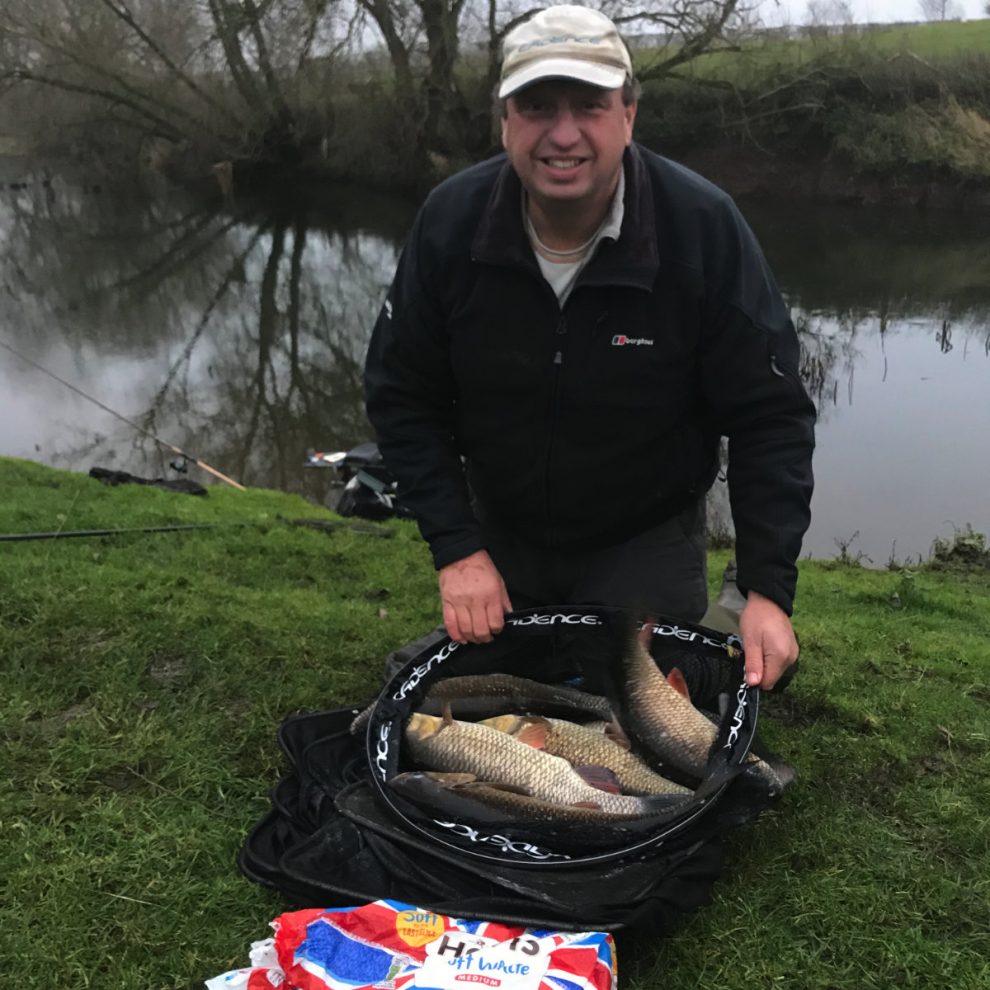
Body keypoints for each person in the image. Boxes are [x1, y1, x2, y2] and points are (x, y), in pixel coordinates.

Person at [364, 4, 815, 691]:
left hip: (642, 533)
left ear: (629, 115)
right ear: (506, 121)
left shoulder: (703, 228)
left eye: (590, 106)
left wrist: (768, 589)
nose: (564, 134)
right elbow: (402, 394)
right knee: (456, 698)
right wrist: (459, 551)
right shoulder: (449, 224)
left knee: (649, 706)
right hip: (503, 528)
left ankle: (724, 611)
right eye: (538, 106)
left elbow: (770, 414)